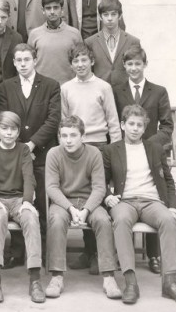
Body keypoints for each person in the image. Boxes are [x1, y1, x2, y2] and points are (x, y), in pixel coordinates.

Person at [103, 105, 176, 305]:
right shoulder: (111, 150)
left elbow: (168, 180)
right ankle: (130, 283)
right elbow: (101, 181)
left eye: (139, 125)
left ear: (144, 128)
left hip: (151, 200)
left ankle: (170, 283)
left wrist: (172, 206)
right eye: (131, 124)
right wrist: (108, 196)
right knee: (121, 220)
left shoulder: (154, 149)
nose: (135, 128)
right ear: (123, 125)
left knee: (168, 220)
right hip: (124, 201)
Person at [44, 115, 121, 300]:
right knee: (56, 220)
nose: (68, 140)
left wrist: (86, 210)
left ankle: (109, 277)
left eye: (73, 135)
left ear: (83, 136)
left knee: (103, 220)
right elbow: (51, 187)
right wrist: (70, 208)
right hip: (63, 202)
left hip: (89, 201)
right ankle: (56, 277)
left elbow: (99, 188)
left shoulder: (94, 153)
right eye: (64, 136)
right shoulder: (53, 153)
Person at [113, 45, 174, 274]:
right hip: (126, 152)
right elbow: (115, 121)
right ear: (124, 66)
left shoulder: (158, 91)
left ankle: (154, 255)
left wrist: (150, 145)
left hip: (152, 152)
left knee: (154, 195)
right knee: (126, 200)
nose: (134, 68)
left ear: (145, 64)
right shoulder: (117, 91)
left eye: (137, 64)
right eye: (129, 64)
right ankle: (123, 256)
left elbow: (167, 126)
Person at [61, 43, 122, 272]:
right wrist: (65, 147)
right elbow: (64, 121)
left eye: (84, 60)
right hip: (76, 147)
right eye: (75, 61)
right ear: (71, 64)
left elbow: (113, 121)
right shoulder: (66, 88)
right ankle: (88, 251)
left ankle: (102, 253)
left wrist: (115, 151)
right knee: (83, 194)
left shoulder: (103, 87)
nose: (80, 65)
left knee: (100, 196)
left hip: (100, 146)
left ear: (92, 61)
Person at [0, 112, 44, 303]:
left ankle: (35, 279)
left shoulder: (23, 150)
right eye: (4, 128)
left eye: (13, 129)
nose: (9, 133)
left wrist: (27, 202)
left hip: (18, 199)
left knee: (31, 218)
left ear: (18, 131)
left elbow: (29, 177)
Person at [0, 43, 60, 238]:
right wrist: (18, 146)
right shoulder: (6, 87)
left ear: (35, 61)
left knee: (41, 200)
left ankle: (43, 248)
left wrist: (31, 144)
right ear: (14, 63)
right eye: (19, 60)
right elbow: (4, 118)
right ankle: (17, 249)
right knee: (18, 199)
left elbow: (53, 120)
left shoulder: (50, 85)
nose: (23, 64)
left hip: (41, 153)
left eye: (27, 59)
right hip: (14, 152)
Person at [84, 0, 141, 86]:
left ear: (120, 16)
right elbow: (89, 71)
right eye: (106, 14)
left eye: (113, 14)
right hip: (99, 90)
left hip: (125, 91)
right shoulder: (90, 42)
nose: (110, 18)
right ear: (100, 17)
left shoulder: (133, 42)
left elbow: (137, 70)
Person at [28, 0, 83, 85]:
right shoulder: (34, 34)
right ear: (43, 10)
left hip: (68, 86)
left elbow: (80, 62)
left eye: (56, 7)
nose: (52, 11)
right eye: (48, 8)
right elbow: (29, 62)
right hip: (41, 87)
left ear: (62, 10)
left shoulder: (74, 34)